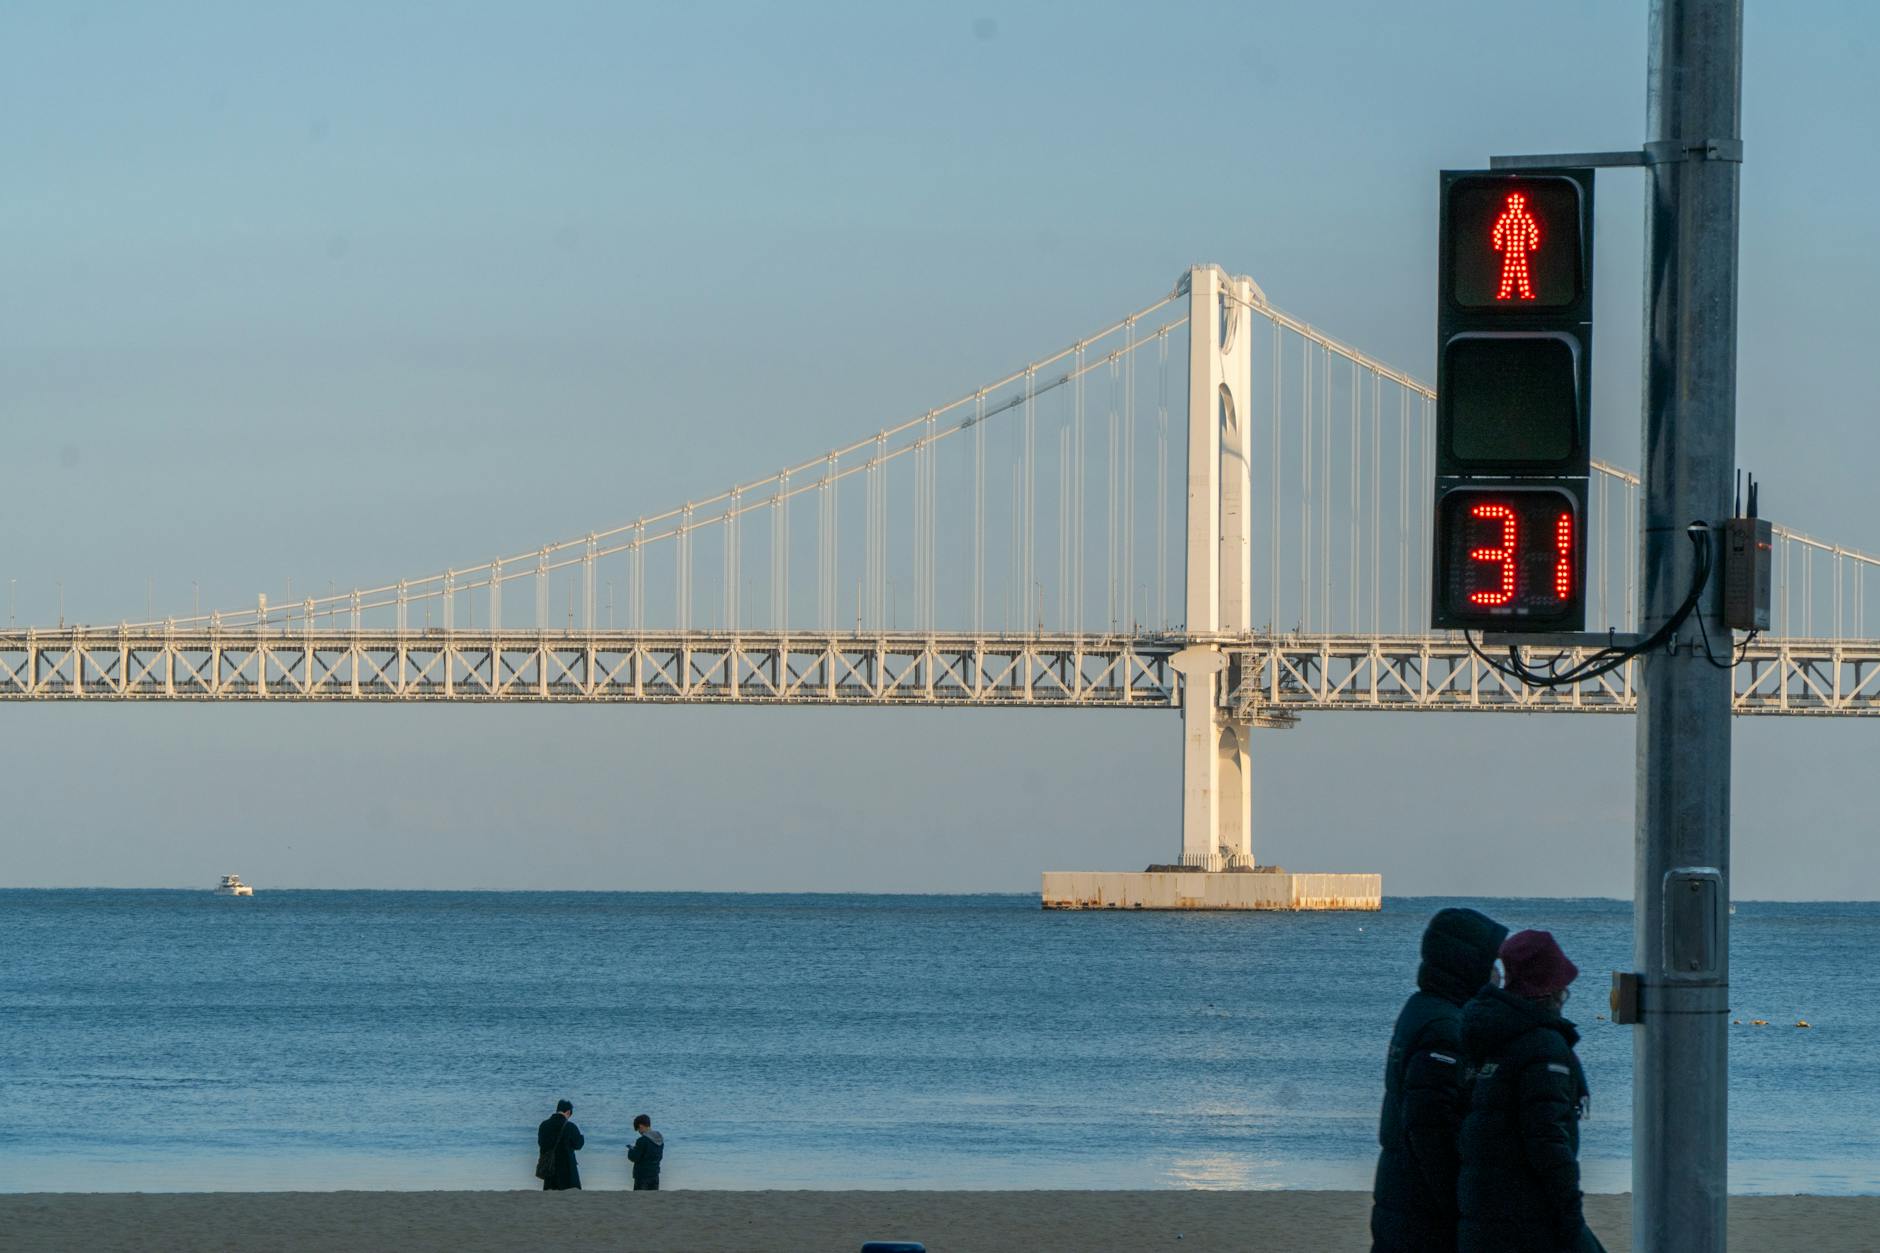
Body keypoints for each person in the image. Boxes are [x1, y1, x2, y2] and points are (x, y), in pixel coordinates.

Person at [1370, 906, 1508, 1253]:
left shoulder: (1422, 1008)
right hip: (1422, 1212)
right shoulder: (1445, 1029)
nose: (1498, 978)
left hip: (1405, 1200)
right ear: (1467, 964)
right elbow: (1431, 1128)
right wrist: (1461, 1202)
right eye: (1491, 965)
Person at [1458, 930, 1605, 1253]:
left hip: (1483, 1207)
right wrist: (1569, 1214)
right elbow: (1548, 1141)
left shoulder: (1488, 1034)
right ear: (1553, 987)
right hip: (1525, 1213)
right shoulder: (1542, 1047)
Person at [537, 1099, 585, 1191]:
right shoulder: (570, 1126)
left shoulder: (544, 1125)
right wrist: (582, 1138)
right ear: (568, 1112)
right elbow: (578, 1145)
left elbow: (541, 1143)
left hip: (550, 1168)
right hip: (567, 1169)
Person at [627, 1113, 664, 1191]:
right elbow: (659, 1157)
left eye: (638, 1129)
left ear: (641, 1126)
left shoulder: (642, 1140)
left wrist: (631, 1150)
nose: (639, 1132)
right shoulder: (659, 1138)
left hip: (642, 1176)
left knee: (639, 1200)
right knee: (653, 1200)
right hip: (655, 1174)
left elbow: (634, 1158)